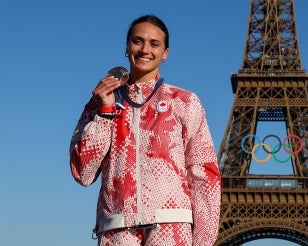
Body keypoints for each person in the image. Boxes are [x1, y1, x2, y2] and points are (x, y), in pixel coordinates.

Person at [69, 14, 221, 246]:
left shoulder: (184, 101)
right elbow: (83, 173)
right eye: (137, 41)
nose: (144, 49)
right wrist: (105, 111)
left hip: (171, 228)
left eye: (154, 43)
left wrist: (202, 241)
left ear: (165, 53)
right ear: (127, 47)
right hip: (117, 229)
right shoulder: (100, 102)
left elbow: (203, 173)